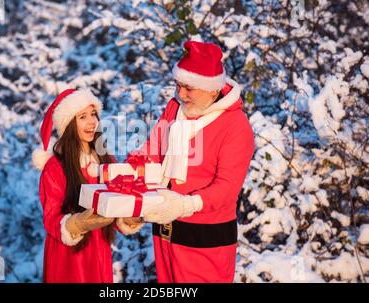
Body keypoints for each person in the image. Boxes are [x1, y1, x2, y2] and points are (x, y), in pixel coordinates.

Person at [138, 40, 255, 282]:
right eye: (178, 85)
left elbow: (227, 189)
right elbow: (150, 151)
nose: (181, 93)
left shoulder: (235, 126)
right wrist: (125, 175)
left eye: (189, 88)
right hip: (165, 233)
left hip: (205, 241)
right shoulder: (175, 108)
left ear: (212, 90)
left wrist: (184, 204)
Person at [32, 88, 142, 283]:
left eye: (93, 114)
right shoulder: (55, 167)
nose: (92, 122)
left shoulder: (105, 159)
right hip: (69, 255)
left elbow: (114, 202)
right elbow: (50, 218)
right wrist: (76, 223)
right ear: (69, 124)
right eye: (82, 116)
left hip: (99, 249)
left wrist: (129, 216)